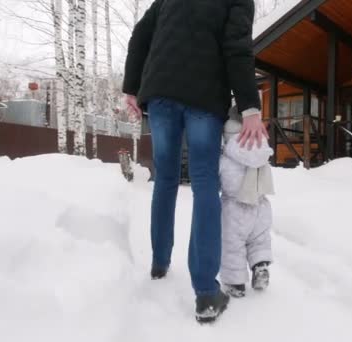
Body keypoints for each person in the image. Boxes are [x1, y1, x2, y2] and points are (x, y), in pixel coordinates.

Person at [122, 0, 268, 323]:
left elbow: (140, 35)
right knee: (204, 183)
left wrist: (131, 88)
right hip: (204, 94)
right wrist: (250, 108)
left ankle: (159, 264)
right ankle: (205, 293)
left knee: (166, 178)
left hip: (160, 92)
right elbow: (237, 48)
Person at [219, 107, 274, 298]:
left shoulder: (227, 152)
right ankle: (260, 267)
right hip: (260, 205)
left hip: (235, 208)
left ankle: (235, 284)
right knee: (259, 241)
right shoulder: (260, 145)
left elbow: (220, 176)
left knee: (232, 245)